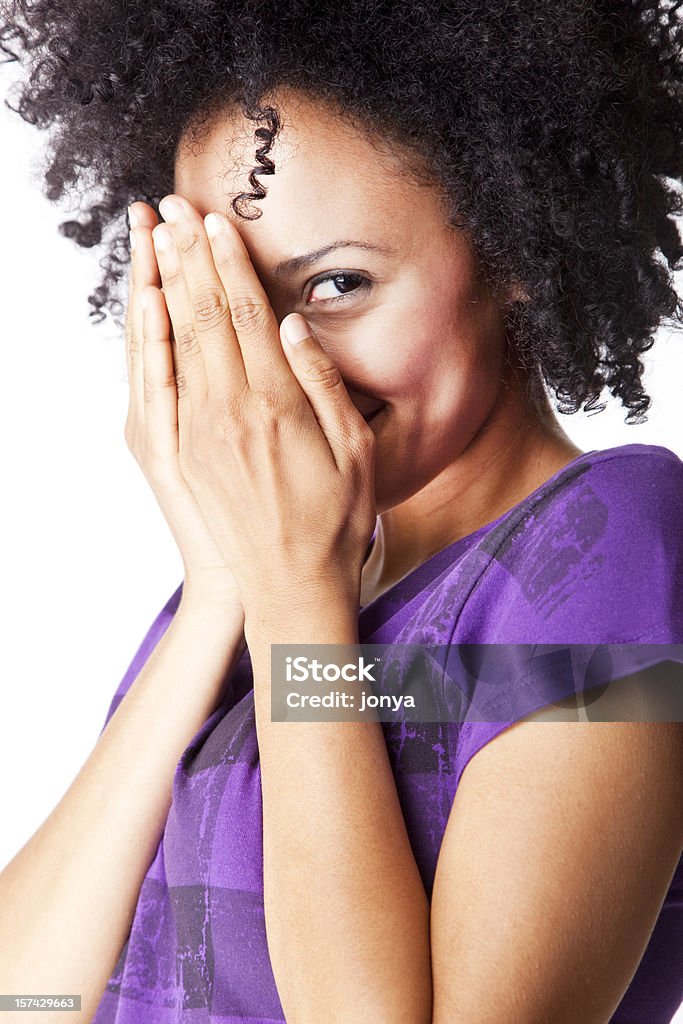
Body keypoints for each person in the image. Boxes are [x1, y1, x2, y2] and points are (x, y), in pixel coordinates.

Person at [0, 2, 682, 1022]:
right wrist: (222, 593)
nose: (278, 365)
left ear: (515, 254)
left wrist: (291, 604)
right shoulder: (271, 578)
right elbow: (28, 995)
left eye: (336, 284)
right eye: (223, 302)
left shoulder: (604, 545)